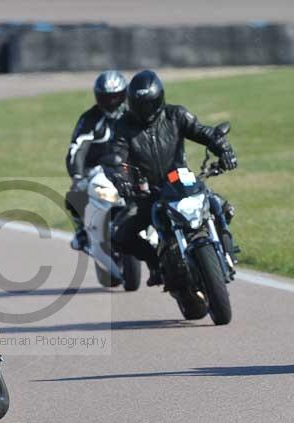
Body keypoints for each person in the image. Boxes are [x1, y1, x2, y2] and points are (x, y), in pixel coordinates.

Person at [104, 69, 238, 286]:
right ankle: (155, 262)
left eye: (149, 104)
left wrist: (223, 149)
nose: (143, 110)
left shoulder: (176, 115)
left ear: (159, 100)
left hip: (180, 182)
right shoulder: (123, 127)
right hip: (149, 192)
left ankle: (227, 251)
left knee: (221, 206)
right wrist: (120, 178)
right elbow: (116, 157)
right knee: (119, 234)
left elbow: (203, 132)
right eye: (139, 105)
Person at [65, 70, 127, 251]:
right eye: (107, 97)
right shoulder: (90, 119)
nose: (112, 102)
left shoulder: (134, 114)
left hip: (128, 167)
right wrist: (77, 176)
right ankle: (81, 231)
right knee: (75, 194)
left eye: (116, 97)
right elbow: (77, 148)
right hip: (97, 170)